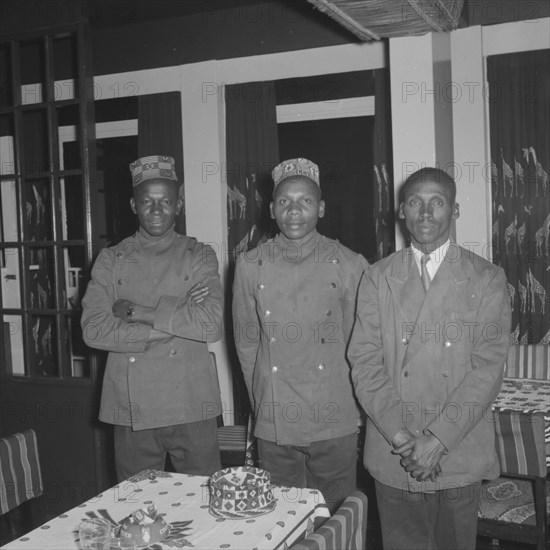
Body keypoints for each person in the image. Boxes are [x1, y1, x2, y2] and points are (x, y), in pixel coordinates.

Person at [348, 167, 512, 550]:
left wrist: (436, 440)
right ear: (401, 211)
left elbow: (487, 370)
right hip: (394, 450)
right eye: (415, 202)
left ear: (453, 212)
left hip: (457, 448)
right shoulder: (376, 277)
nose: (425, 212)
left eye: (436, 202)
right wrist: (403, 438)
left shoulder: (486, 278)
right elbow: (365, 362)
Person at [232, 158, 368, 513]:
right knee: (282, 519)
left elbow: (361, 346)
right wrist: (262, 400)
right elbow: (247, 345)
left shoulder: (350, 263)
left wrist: (355, 408)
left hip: (333, 416)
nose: (294, 211)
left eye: (305, 201)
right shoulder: (249, 265)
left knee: (337, 519)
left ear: (321, 208)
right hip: (275, 416)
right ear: (272, 210)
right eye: (284, 202)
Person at [81, 155, 223, 481]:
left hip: (191, 400)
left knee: (203, 504)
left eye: (166, 201)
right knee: (136, 508)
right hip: (132, 406)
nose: (157, 210)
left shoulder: (199, 254)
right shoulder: (111, 259)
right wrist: (179, 314)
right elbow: (93, 329)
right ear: (133, 204)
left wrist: (137, 313)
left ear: (179, 204)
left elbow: (210, 324)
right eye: (147, 201)